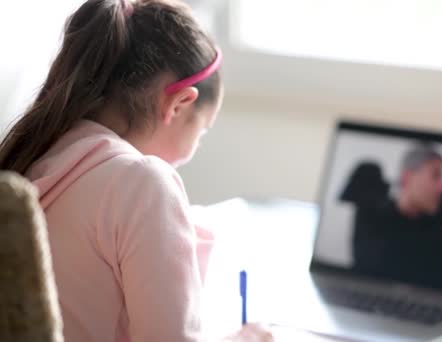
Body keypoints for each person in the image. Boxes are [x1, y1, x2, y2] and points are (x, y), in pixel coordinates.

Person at [0, 1, 272, 341]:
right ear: (179, 104)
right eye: (201, 132)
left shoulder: (37, 156)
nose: (195, 147)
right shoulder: (144, 183)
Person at [341, 143, 442, 293]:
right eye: (436, 175)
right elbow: (379, 266)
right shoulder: (373, 214)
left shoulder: (436, 221)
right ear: (407, 177)